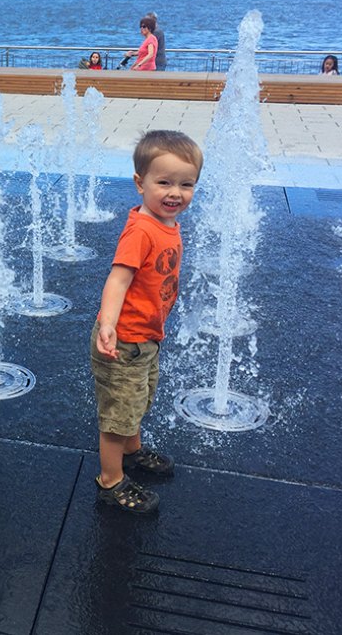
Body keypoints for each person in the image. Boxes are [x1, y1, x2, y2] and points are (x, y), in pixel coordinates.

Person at [90, 129, 202, 514]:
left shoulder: (167, 222)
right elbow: (118, 278)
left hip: (148, 337)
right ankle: (111, 480)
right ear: (140, 184)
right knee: (118, 415)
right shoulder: (141, 230)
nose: (176, 193)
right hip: (123, 339)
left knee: (137, 401)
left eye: (186, 184)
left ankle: (133, 453)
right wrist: (108, 324)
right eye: (164, 182)